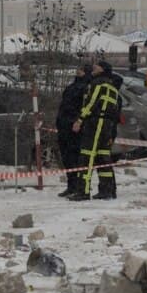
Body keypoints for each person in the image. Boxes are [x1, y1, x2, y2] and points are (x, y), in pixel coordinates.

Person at [70, 60, 122, 201]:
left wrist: (80, 119)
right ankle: (107, 190)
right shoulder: (113, 88)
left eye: (97, 66)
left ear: (102, 70)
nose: (94, 67)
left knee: (87, 156)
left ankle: (83, 191)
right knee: (103, 157)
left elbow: (91, 102)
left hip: (96, 123)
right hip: (107, 125)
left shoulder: (98, 84)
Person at [55, 64, 91, 198]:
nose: (78, 71)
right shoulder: (72, 87)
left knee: (76, 158)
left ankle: (78, 187)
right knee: (67, 159)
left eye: (81, 69)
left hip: (75, 127)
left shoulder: (87, 87)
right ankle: (71, 186)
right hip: (64, 126)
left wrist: (79, 121)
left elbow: (86, 107)